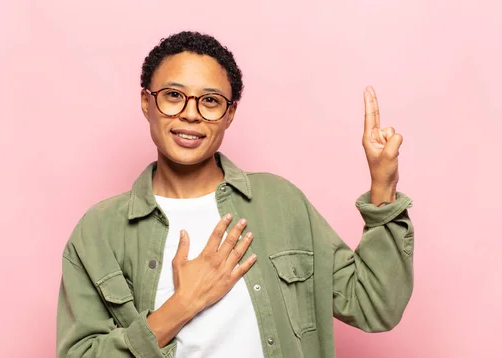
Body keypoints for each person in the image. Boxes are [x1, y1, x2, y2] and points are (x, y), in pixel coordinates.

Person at [56, 31, 414, 358]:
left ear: (229, 114)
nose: (191, 114)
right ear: (147, 103)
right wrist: (181, 306)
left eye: (210, 101)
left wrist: (383, 185)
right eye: (173, 96)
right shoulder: (97, 233)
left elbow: (374, 305)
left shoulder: (281, 202)